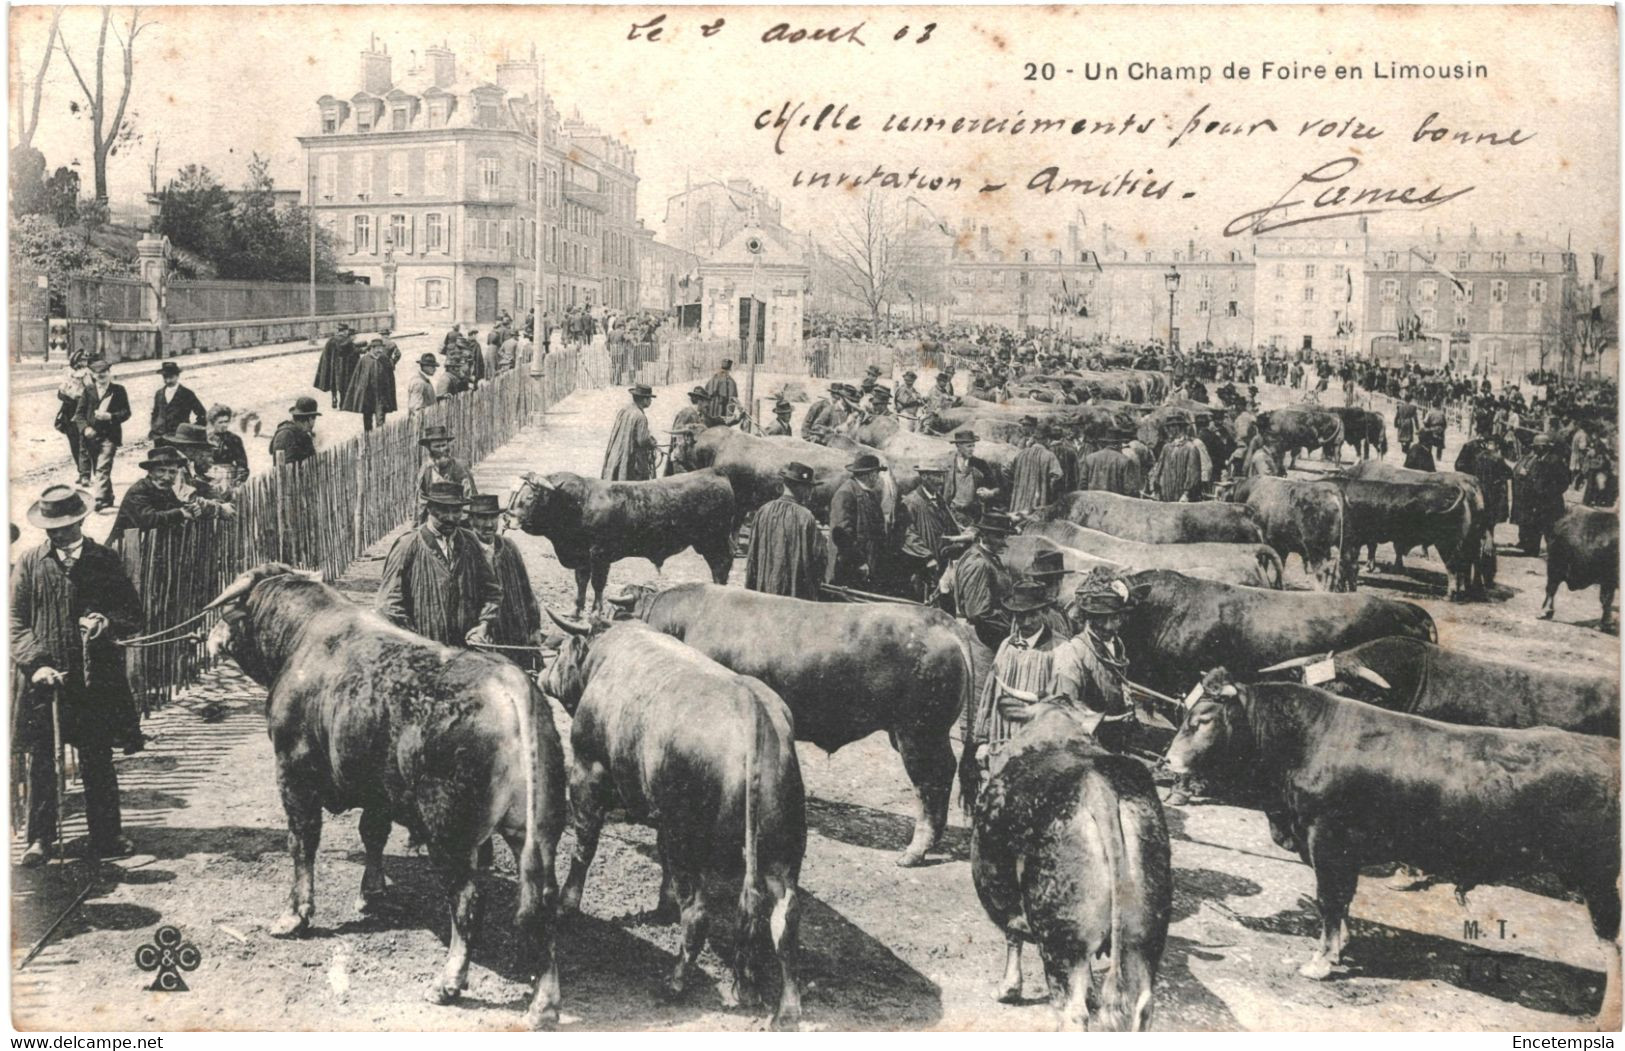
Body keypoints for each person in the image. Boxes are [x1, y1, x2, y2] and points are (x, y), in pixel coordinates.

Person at [12, 486, 144, 864]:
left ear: (81, 521)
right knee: (42, 761)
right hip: (45, 681)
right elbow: (14, 619)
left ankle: (106, 836)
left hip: (95, 679)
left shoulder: (104, 560)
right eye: (52, 528)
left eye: (66, 527)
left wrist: (107, 621)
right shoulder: (31, 562)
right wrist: (37, 663)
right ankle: (40, 840)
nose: (58, 534)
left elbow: (131, 613)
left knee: (97, 758)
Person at [377, 482, 502, 648]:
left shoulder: (470, 542)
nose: (450, 518)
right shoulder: (408, 545)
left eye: (456, 511)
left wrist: (484, 625)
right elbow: (389, 605)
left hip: (466, 651)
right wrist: (416, 642)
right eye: (443, 510)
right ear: (429, 509)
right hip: (424, 653)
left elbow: (492, 592)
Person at [970, 581, 1071, 778]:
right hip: (1001, 742)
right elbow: (990, 694)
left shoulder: (1060, 649)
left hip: (1039, 747)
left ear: (1043, 613)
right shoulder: (1007, 646)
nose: (1025, 622)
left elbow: (1064, 703)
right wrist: (982, 740)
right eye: (1019, 616)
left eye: (1031, 615)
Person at [1054, 568, 1141, 759]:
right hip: (1087, 744)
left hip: (1115, 738)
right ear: (1087, 618)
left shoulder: (1117, 644)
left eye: (1116, 617)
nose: (1110, 626)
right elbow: (1067, 710)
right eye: (1102, 618)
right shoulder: (1073, 653)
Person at [466, 494, 542, 667]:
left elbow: (526, 592)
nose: (489, 524)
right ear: (471, 520)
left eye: (493, 517)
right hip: (483, 637)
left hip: (513, 632)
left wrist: (534, 628)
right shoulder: (465, 552)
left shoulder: (509, 548)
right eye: (482, 518)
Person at [744, 461, 825, 599]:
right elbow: (818, 559)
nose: (810, 493)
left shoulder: (763, 510)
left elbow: (752, 555)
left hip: (763, 591)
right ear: (801, 488)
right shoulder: (805, 517)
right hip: (793, 596)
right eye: (809, 488)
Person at [952, 511, 1015, 650]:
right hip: (982, 640)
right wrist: (1012, 624)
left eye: (1005, 536)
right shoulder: (978, 563)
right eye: (999, 537)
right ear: (983, 536)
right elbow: (978, 612)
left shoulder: (988, 557)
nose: (1004, 543)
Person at [74, 358, 130, 513]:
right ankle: (108, 496)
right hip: (91, 437)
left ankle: (98, 499)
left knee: (102, 468)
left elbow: (126, 412)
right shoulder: (88, 390)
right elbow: (79, 414)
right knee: (98, 469)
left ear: (109, 373)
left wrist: (111, 416)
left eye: (104, 372)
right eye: (98, 373)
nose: (101, 375)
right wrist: (85, 429)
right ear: (93, 375)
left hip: (110, 436)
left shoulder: (118, 390)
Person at [109, 446, 193, 542]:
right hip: (124, 549)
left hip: (147, 545)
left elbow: (176, 506)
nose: (167, 477)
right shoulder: (138, 491)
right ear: (150, 472)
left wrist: (190, 508)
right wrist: (180, 513)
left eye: (172, 472)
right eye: (161, 470)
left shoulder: (165, 489)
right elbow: (147, 520)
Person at [899, 464, 957, 597]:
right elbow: (908, 535)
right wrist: (927, 557)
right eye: (936, 476)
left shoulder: (939, 499)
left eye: (942, 476)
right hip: (923, 563)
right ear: (924, 476)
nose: (941, 481)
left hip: (941, 559)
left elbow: (950, 524)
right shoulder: (911, 502)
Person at [829, 453, 887, 586]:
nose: (878, 478)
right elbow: (841, 534)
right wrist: (858, 561)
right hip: (851, 567)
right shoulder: (846, 494)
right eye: (877, 473)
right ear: (870, 475)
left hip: (866, 564)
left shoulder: (867, 494)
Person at [1512, 434, 1570, 556]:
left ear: (1543, 447)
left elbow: (1564, 481)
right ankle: (1532, 550)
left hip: (1550, 502)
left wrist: (1550, 493)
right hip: (1538, 502)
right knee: (1536, 525)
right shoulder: (1539, 459)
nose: (1534, 450)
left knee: (1550, 529)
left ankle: (1554, 554)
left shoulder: (1555, 461)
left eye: (1536, 447)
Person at [1454, 418, 1513, 528]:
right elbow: (1459, 465)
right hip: (1476, 485)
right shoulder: (1471, 447)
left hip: (1486, 486)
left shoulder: (1488, 447)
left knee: (1487, 513)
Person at [415, 425, 478, 525]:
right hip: (435, 520)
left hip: (458, 519)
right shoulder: (426, 470)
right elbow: (421, 502)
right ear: (429, 448)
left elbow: (472, 498)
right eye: (437, 446)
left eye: (443, 445)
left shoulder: (459, 467)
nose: (441, 450)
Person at [602, 384, 660, 481]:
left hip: (617, 455)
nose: (651, 401)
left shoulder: (624, 410)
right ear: (644, 399)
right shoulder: (640, 416)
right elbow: (642, 441)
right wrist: (651, 443)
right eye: (649, 398)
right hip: (631, 461)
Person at [942, 430, 1001, 523]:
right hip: (951, 513)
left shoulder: (980, 464)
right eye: (968, 446)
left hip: (973, 515)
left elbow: (997, 488)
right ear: (958, 446)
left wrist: (990, 493)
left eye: (973, 446)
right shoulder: (948, 464)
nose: (972, 449)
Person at [342, 337, 399, 432]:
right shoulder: (364, 360)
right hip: (367, 396)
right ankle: (368, 440)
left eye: (381, 348)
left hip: (381, 396)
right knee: (367, 421)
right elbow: (357, 378)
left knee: (380, 420)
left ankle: (380, 439)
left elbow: (390, 376)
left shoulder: (384, 359)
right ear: (372, 348)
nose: (380, 351)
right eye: (377, 348)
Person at [1008, 418, 1063, 515]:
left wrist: (1017, 482)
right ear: (1047, 439)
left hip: (1018, 501)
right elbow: (1057, 477)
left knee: (1016, 523)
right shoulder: (1049, 456)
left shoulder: (1021, 454)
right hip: (1038, 504)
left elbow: (1006, 470)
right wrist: (1050, 492)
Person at [55, 354, 92, 487]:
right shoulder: (68, 375)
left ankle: (85, 474)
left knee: (83, 443)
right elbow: (60, 393)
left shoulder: (88, 374)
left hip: (82, 412)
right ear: (74, 362)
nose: (83, 363)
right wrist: (68, 396)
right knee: (74, 442)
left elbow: (91, 392)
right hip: (69, 413)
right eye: (81, 360)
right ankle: (80, 470)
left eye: (85, 360)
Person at [1148, 416, 1204, 502]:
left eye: (1171, 427)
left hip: (1182, 496)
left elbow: (1193, 474)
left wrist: (1186, 494)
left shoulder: (1190, 448)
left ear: (1178, 428)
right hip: (1167, 493)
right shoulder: (1167, 448)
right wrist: (1155, 489)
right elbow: (1158, 469)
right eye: (1168, 427)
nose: (1168, 430)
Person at [148, 361, 207, 441]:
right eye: (165, 377)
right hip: (159, 436)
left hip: (179, 437)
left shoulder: (187, 393)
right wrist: (155, 426)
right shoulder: (159, 393)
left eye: (171, 377)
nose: (168, 380)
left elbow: (202, 414)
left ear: (177, 376)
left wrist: (190, 429)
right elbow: (155, 413)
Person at [1080, 427, 1144, 495]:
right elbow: (1130, 490)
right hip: (1115, 504)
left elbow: (1082, 485)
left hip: (1093, 502)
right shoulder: (1125, 461)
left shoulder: (1090, 458)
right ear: (1118, 444)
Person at [313, 324, 358, 409]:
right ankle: (342, 403)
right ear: (345, 331)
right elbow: (353, 353)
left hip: (333, 367)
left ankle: (334, 398)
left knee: (333, 383)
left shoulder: (331, 340)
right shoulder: (347, 341)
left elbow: (326, 354)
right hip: (344, 368)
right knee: (343, 385)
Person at [270, 397, 321, 467]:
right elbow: (286, 467)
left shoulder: (301, 434)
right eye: (314, 418)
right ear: (309, 419)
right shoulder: (286, 435)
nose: (314, 424)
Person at [703, 359, 740, 426]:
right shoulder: (731, 381)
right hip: (721, 413)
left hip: (711, 413)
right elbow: (732, 400)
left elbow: (705, 395)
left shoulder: (712, 379)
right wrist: (729, 417)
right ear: (729, 369)